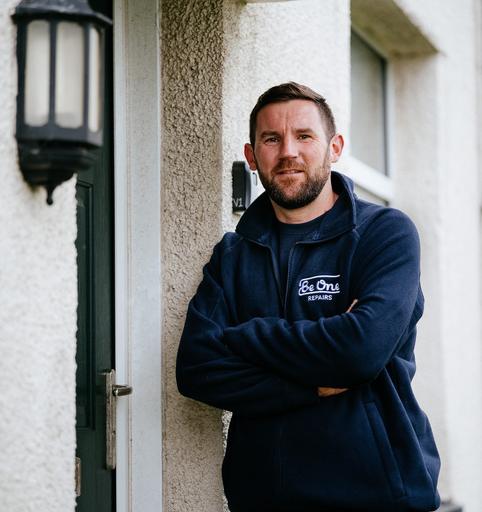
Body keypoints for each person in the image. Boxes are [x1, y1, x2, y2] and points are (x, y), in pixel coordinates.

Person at [175, 82, 440, 512]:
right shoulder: (233, 255)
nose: (288, 152)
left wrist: (244, 336)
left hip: (376, 497)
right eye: (271, 139)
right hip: (263, 501)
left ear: (334, 147)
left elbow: (360, 351)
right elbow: (196, 369)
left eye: (304, 136)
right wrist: (311, 385)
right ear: (251, 156)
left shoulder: (384, 234)